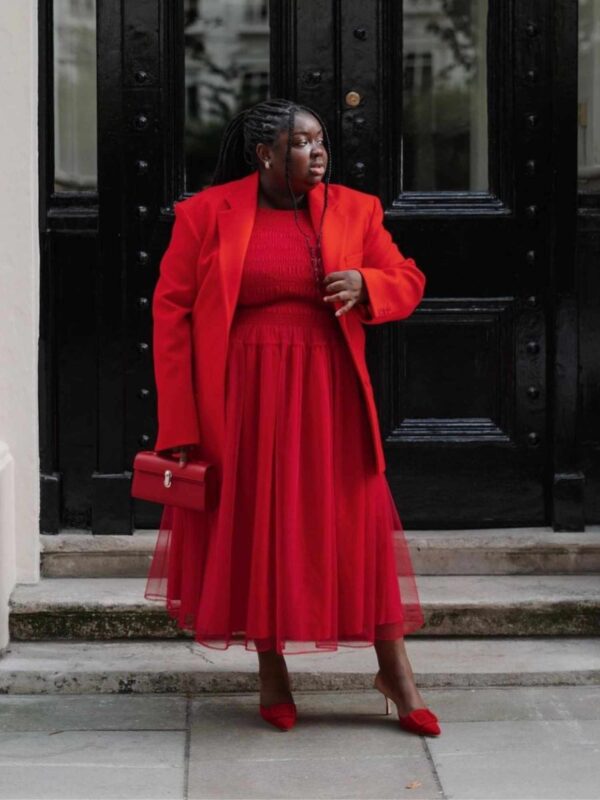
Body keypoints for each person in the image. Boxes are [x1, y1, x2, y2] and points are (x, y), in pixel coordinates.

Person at [144, 98, 440, 736]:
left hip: (328, 393)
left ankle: (396, 672)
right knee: (257, 523)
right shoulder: (205, 215)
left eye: (322, 140)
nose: (319, 152)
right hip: (239, 398)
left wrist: (368, 284)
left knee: (354, 523)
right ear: (266, 154)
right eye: (303, 142)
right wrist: (179, 425)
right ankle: (271, 672)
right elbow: (170, 314)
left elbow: (407, 278)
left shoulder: (356, 209)